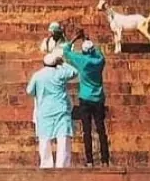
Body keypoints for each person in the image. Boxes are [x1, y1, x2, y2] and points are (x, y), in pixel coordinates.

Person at [63, 31, 110, 167]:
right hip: (98, 98)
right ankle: (105, 159)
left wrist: (75, 38)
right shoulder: (100, 61)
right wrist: (88, 40)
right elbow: (99, 52)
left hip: (85, 98)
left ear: (83, 52)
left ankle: (89, 160)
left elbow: (66, 51)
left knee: (87, 130)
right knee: (101, 130)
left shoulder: (82, 61)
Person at [26, 50, 79, 168]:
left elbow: (29, 91)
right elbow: (74, 72)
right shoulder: (60, 73)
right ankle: (62, 164)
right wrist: (63, 63)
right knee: (63, 137)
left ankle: (46, 164)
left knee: (44, 138)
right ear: (56, 64)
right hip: (61, 109)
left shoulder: (38, 75)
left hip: (44, 110)